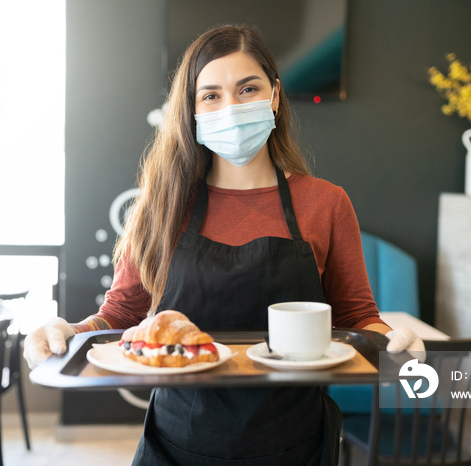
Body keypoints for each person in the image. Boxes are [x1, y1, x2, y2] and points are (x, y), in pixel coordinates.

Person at [24, 24, 424, 465]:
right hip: (178, 445)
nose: (230, 107)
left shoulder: (326, 203)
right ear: (192, 110)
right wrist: (68, 333)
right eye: (211, 95)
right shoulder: (161, 206)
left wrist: (394, 341)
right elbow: (120, 315)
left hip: (295, 445)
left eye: (247, 89)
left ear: (274, 95)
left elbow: (357, 319)